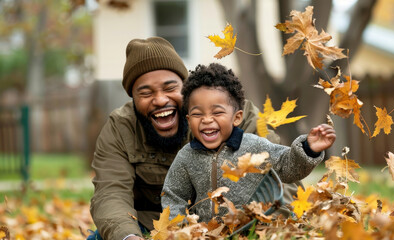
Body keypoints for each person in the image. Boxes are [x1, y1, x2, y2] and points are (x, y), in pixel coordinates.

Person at [89, 37, 297, 240]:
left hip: (235, 223)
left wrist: (258, 227)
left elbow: (281, 176)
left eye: (170, 88)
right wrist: (128, 236)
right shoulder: (121, 128)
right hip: (153, 225)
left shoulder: (232, 115)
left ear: (185, 87)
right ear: (133, 98)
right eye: (145, 93)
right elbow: (110, 193)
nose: (160, 100)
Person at [161, 63, 336, 222]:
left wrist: (308, 149)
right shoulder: (186, 156)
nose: (206, 120)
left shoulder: (254, 146)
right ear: (189, 119)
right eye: (198, 114)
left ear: (236, 118)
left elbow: (286, 166)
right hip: (210, 233)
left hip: (253, 227)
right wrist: (182, 227)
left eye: (217, 112)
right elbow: (174, 195)